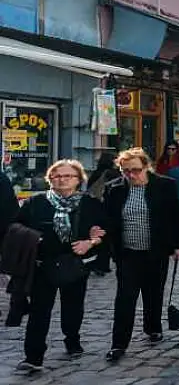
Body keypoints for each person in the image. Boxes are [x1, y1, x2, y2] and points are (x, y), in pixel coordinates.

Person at [14, 160, 106, 373]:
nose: (62, 179)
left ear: (78, 180)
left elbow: (105, 230)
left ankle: (72, 339)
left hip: (75, 263)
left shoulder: (90, 203)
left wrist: (91, 242)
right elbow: (16, 225)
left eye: (68, 176)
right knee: (39, 311)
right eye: (56, 176)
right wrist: (30, 237)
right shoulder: (36, 203)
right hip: (42, 264)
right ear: (50, 179)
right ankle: (33, 356)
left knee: (73, 307)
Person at [104, 147, 179, 363]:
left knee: (154, 292)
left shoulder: (165, 185)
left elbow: (176, 216)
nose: (132, 175)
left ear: (146, 166)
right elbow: (109, 220)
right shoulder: (114, 189)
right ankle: (118, 344)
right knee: (125, 298)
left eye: (136, 170)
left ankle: (153, 327)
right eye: (126, 171)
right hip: (128, 253)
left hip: (156, 250)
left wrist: (178, 245)